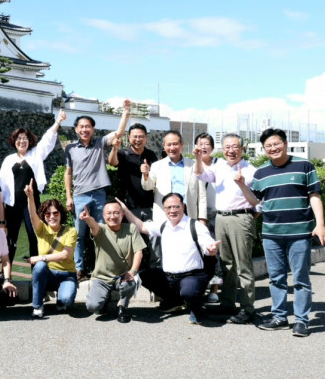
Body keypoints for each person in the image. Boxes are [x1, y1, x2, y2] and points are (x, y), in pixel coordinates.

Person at [236, 128, 325, 337]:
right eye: (268, 146)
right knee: (276, 278)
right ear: (264, 149)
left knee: (301, 278)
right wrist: (242, 186)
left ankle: (302, 321)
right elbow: (256, 202)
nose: (273, 148)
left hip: (299, 233)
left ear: (285, 143)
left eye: (276, 144)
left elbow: (314, 196)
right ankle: (279, 317)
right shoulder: (261, 173)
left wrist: (320, 224)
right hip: (271, 234)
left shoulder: (304, 166)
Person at [125, 193, 220, 325]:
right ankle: (176, 302)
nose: (172, 210)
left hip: (193, 276)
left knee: (189, 291)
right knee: (145, 276)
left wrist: (211, 249)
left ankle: (196, 307)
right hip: (170, 277)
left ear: (183, 207)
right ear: (164, 209)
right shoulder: (164, 226)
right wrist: (125, 210)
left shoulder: (195, 226)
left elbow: (207, 244)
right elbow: (142, 226)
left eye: (176, 206)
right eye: (168, 207)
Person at [65, 99, 132, 280]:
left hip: (99, 195)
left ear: (93, 129)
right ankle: (79, 270)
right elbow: (68, 173)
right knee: (79, 236)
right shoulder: (70, 148)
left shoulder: (100, 143)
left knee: (102, 233)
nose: (85, 129)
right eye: (81, 126)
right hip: (79, 196)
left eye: (88, 126)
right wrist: (68, 197)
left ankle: (102, 269)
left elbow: (119, 133)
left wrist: (125, 113)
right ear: (76, 129)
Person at [195, 133, 257, 324]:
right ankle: (228, 303)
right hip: (221, 217)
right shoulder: (219, 166)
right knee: (227, 264)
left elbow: (259, 201)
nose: (231, 151)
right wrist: (198, 158)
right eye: (227, 147)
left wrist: (249, 217)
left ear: (242, 149)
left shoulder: (251, 170)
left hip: (241, 216)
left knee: (243, 265)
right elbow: (201, 174)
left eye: (235, 147)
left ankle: (247, 308)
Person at [0, 109, 66, 263]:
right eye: (19, 139)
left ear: (30, 141)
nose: (22, 141)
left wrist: (58, 122)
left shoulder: (36, 154)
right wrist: (0, 214)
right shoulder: (8, 160)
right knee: (10, 238)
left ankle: (37, 273)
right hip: (13, 205)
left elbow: (47, 140)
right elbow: (1, 186)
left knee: (34, 235)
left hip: (32, 203)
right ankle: (6, 275)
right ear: (14, 141)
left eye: (25, 139)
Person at [140, 130, 207, 266]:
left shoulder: (193, 165)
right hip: (166, 214)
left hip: (188, 213)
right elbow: (148, 186)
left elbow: (201, 194)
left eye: (175, 144)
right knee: (165, 250)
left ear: (182, 145)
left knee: (189, 249)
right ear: (164, 146)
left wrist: (202, 218)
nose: (172, 148)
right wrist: (146, 174)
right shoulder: (157, 166)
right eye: (169, 145)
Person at [80, 202, 145, 323]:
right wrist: (88, 220)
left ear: (122, 214)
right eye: (109, 213)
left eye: (116, 212)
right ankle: (105, 299)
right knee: (92, 306)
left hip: (123, 276)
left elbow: (138, 252)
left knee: (129, 282)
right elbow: (93, 226)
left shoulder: (131, 229)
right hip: (102, 278)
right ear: (104, 216)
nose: (112, 216)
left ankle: (122, 307)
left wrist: (132, 271)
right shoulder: (101, 229)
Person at [23, 181, 77, 318]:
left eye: (55, 213)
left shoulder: (71, 231)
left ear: (61, 214)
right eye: (47, 214)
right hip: (49, 274)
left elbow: (65, 255)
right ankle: (37, 306)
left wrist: (41, 257)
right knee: (40, 267)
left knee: (66, 300)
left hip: (67, 274)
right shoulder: (41, 229)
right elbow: (32, 215)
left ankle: (60, 299)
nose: (52, 216)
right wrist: (30, 197)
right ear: (44, 217)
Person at [108, 122, 159, 267]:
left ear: (146, 138)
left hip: (149, 206)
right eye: (135, 136)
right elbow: (112, 162)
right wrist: (115, 148)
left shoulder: (150, 155)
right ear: (129, 137)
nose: (138, 139)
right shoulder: (123, 153)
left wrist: (147, 172)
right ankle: (130, 272)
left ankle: (156, 272)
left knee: (154, 241)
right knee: (130, 242)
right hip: (129, 207)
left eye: (141, 136)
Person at [193, 132, 221, 303]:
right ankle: (199, 288)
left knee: (215, 252)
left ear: (212, 147)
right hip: (195, 214)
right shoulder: (190, 164)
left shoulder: (220, 164)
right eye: (200, 143)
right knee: (197, 252)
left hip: (216, 214)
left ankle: (215, 289)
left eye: (207, 144)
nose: (203, 147)